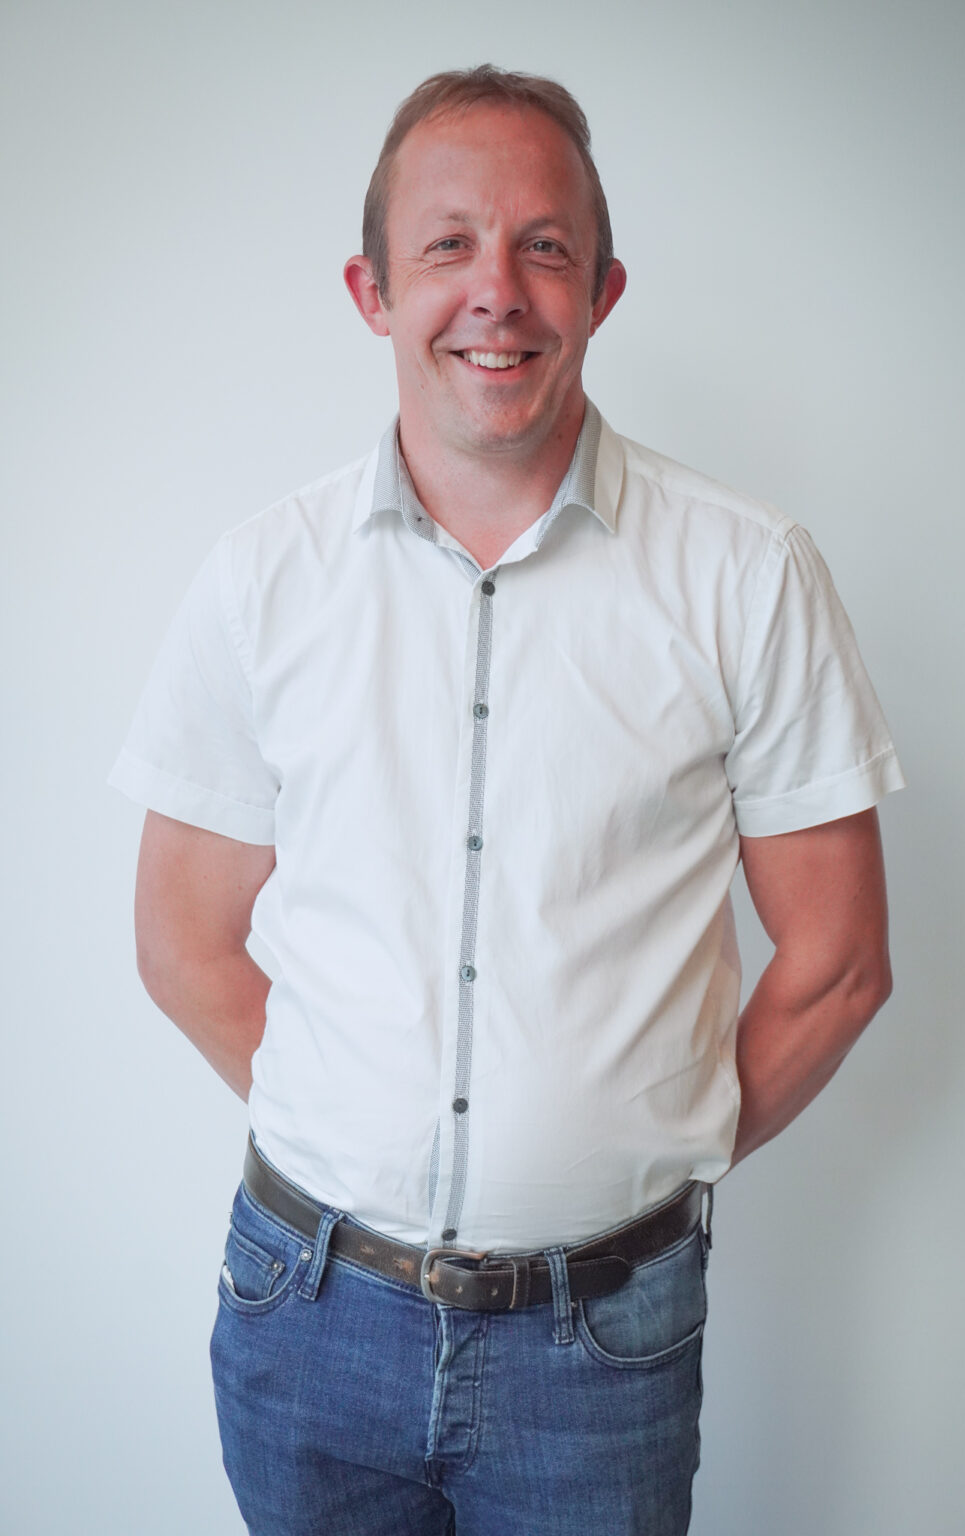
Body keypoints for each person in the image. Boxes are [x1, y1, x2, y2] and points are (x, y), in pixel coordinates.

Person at [111, 64, 904, 1536]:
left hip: (602, 1348)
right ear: (372, 290)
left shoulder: (748, 574)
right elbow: (181, 944)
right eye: (448, 245)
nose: (498, 291)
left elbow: (841, 963)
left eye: (545, 246)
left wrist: (633, 1149)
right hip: (306, 1319)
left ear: (603, 290)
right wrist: (356, 1126)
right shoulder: (262, 583)